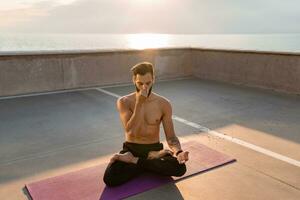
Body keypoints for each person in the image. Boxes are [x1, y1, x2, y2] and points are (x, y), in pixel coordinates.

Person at [103, 62, 189, 187]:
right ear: (134, 80)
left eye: (148, 83)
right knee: (110, 178)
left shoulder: (164, 104)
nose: (144, 87)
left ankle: (136, 162)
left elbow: (171, 138)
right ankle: (149, 163)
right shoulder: (124, 102)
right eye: (140, 83)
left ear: (153, 79)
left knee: (180, 169)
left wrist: (179, 152)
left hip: (153, 149)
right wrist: (139, 103)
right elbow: (130, 131)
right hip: (131, 150)